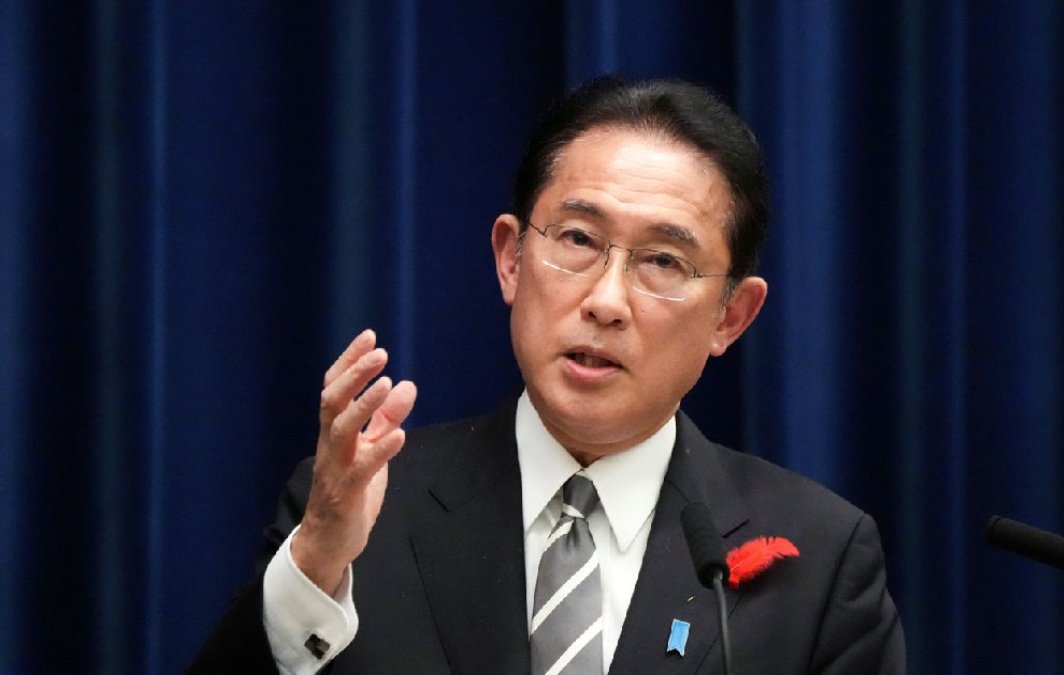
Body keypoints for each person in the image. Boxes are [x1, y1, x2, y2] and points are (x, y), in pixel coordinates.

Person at [191, 77, 905, 674]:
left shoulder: (820, 560)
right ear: (511, 258)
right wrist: (314, 562)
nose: (606, 301)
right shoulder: (358, 514)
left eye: (663, 261)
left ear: (731, 316)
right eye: (579, 239)